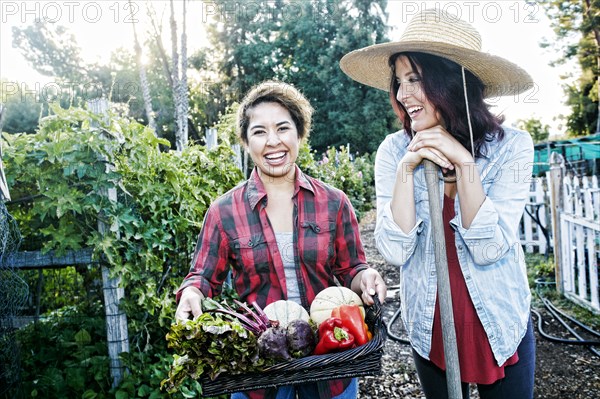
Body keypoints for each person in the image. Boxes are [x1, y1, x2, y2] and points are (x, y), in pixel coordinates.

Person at [340, 8, 536, 399]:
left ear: (452, 80)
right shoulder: (393, 151)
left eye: (415, 79)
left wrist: (464, 165)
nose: (402, 94)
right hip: (431, 321)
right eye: (397, 82)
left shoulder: (511, 147)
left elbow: (490, 248)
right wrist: (407, 168)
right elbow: (395, 249)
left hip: (499, 318)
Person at [174, 80, 387, 399]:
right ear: (246, 142)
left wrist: (365, 277)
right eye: (259, 132)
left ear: (300, 134)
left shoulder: (334, 202)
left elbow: (351, 270)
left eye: (283, 128)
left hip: (329, 358)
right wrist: (191, 292)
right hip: (258, 370)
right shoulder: (224, 212)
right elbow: (203, 278)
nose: (273, 142)